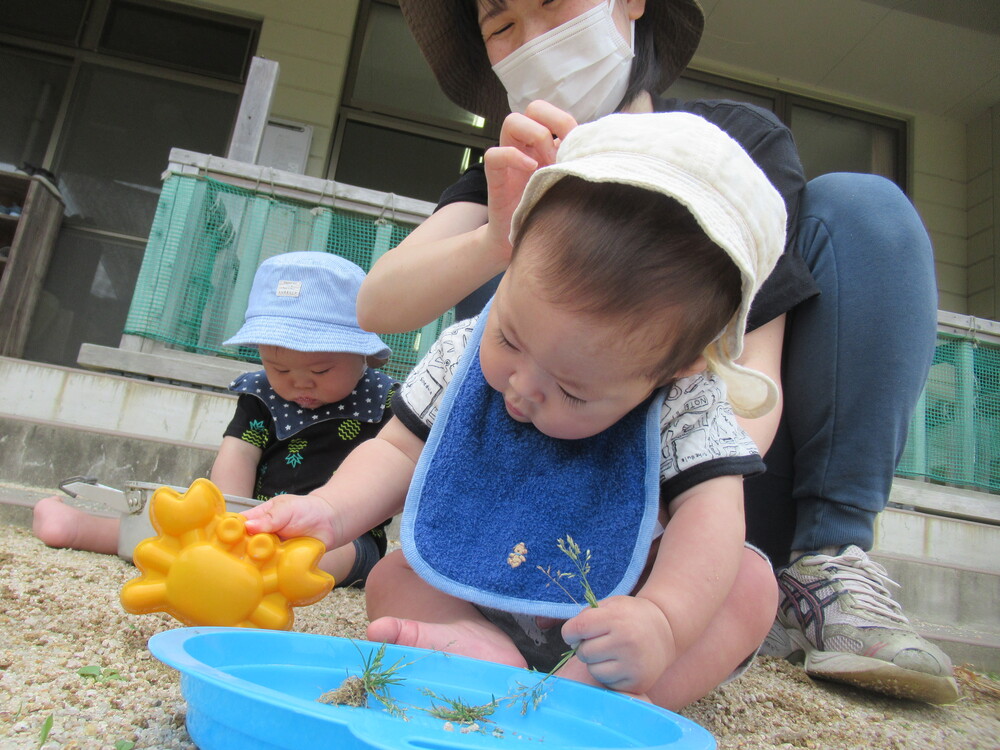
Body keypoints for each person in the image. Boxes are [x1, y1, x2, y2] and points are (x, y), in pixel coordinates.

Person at [354, 0, 957, 704]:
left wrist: (668, 487)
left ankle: (825, 564)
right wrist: (502, 229)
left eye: (551, 5)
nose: (533, 37)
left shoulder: (729, 152)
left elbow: (749, 378)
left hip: (692, 506)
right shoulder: (510, 178)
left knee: (865, 208)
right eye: (501, 25)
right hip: (521, 503)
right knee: (401, 576)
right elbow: (379, 305)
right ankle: (510, 660)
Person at [246, 111, 786, 711]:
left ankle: (600, 696)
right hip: (484, 592)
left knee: (747, 584)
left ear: (679, 367)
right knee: (393, 578)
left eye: (574, 391)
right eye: (510, 338)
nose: (521, 388)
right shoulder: (464, 352)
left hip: (611, 621)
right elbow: (398, 449)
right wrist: (328, 508)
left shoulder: (685, 404)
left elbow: (711, 519)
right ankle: (480, 646)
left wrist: (663, 619)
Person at [32, 251, 397, 588]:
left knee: (323, 556)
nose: (300, 382)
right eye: (279, 367)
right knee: (176, 530)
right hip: (251, 522)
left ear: (363, 354)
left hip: (343, 534)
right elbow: (239, 455)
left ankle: (266, 573)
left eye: (321, 368)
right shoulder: (261, 395)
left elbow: (398, 471)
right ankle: (80, 528)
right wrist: (231, 518)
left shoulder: (386, 401)